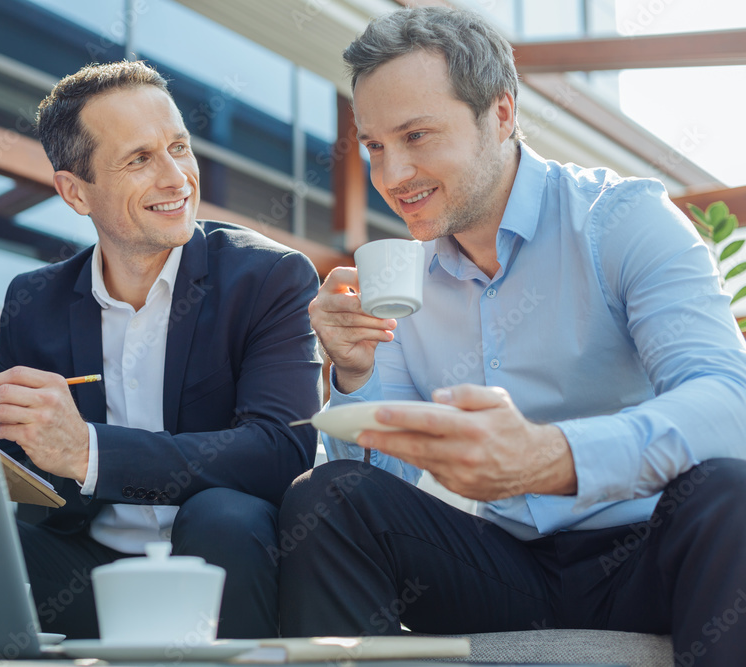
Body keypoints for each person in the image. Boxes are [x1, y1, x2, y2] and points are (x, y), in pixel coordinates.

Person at [278, 7, 746, 665]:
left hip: (650, 555)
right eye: (375, 146)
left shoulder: (621, 221)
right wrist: (356, 372)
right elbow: (383, 477)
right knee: (329, 499)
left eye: (417, 135)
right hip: (508, 571)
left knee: (731, 493)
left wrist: (553, 457)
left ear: (500, 114)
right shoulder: (402, 283)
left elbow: (729, 404)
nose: (391, 175)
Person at [0, 61, 321, 638]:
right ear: (75, 192)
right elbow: (17, 464)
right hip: (89, 571)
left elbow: (281, 451)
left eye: (179, 147)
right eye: (139, 159)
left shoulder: (269, 277)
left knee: (222, 514)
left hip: (226, 562)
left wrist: (90, 452)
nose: (176, 178)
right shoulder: (33, 301)